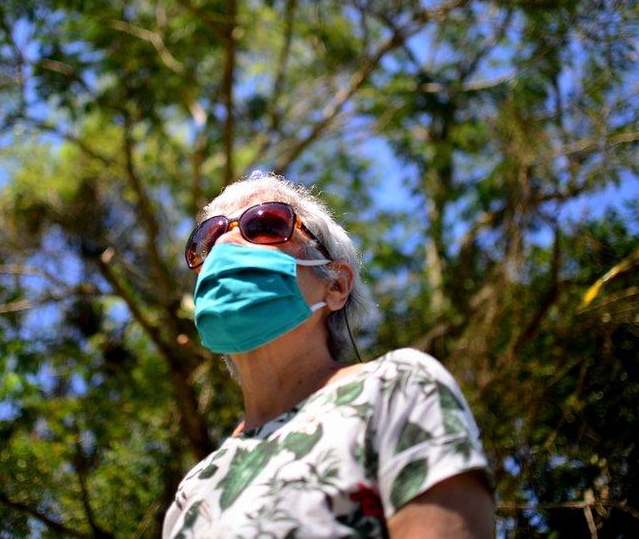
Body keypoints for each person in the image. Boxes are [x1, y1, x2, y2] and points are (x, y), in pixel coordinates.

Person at [163, 173, 494, 538]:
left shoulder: (397, 390)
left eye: (265, 224)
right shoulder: (193, 492)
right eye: (208, 238)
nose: (225, 242)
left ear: (336, 285)